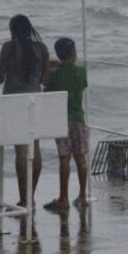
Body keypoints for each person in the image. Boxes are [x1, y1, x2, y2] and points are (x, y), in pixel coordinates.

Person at [0, 14, 50, 209]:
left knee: (20, 151)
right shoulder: (41, 48)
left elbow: (0, 78)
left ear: (12, 30)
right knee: (36, 149)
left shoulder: (8, 47)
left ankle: (23, 198)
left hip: (14, 102)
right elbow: (44, 80)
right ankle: (30, 195)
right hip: (35, 101)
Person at [45, 37, 89, 211]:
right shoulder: (81, 72)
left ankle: (63, 197)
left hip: (62, 119)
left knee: (64, 158)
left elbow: (47, 89)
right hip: (78, 118)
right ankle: (83, 195)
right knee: (80, 157)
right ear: (74, 53)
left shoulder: (55, 74)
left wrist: (52, 66)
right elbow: (83, 85)